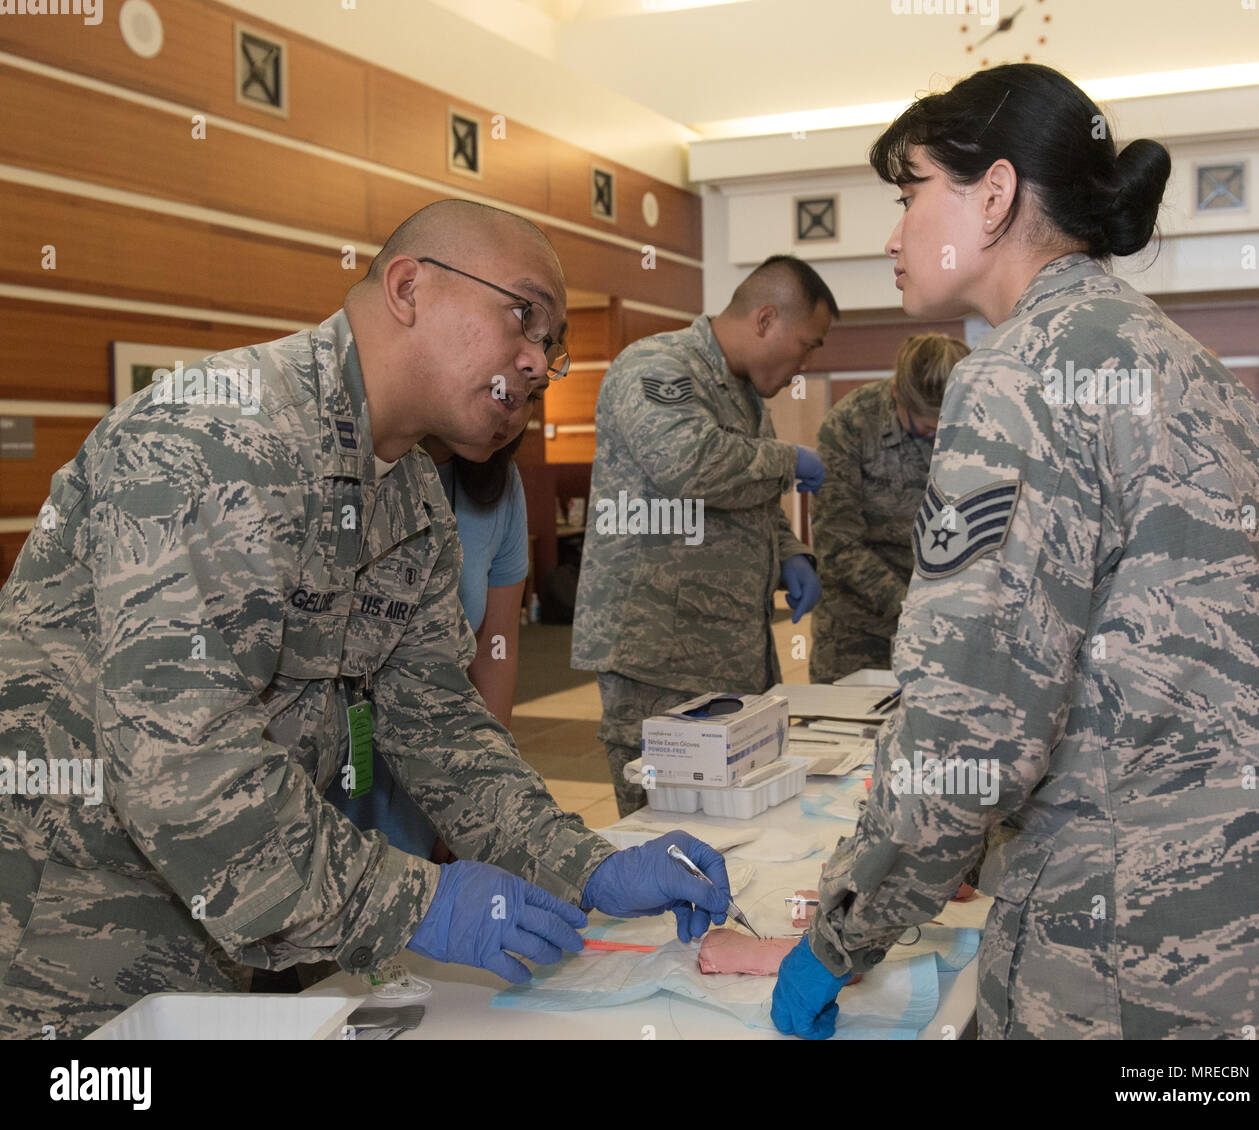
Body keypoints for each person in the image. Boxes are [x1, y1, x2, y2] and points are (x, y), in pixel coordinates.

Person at [0, 199, 732, 1039]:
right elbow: (183, 762)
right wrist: (415, 903)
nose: (538, 364)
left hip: (244, 923)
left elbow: (437, 725)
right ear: (409, 286)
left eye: (553, 345)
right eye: (523, 316)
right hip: (67, 926)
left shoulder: (410, 495)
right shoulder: (220, 439)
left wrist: (582, 864)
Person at [772, 64, 1259, 1040]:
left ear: (996, 193)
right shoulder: (1196, 371)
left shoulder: (1018, 376)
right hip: (1253, 930)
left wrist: (841, 930)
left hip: (1112, 952)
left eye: (909, 192)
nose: (891, 236)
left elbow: (968, 731)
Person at [571, 256, 837, 817]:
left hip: (731, 653)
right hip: (658, 660)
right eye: (808, 345)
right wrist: (788, 459)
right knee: (664, 835)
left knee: (739, 833)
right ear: (765, 319)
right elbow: (687, 462)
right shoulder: (659, 366)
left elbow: (749, 493)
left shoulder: (743, 394)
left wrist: (790, 552)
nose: (804, 365)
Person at [323, 413, 534, 865]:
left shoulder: (495, 484)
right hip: (315, 774)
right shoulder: (336, 460)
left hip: (427, 755)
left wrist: (471, 811)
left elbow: (496, 647)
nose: (515, 407)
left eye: (534, 395)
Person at [810, 333, 969, 682]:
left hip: (948, 626)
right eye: (927, 429)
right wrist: (910, 606)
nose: (937, 439)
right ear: (897, 393)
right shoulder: (851, 424)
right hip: (858, 631)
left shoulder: (976, 425)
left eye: (946, 428)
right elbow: (836, 545)